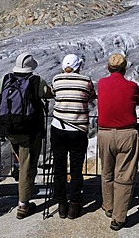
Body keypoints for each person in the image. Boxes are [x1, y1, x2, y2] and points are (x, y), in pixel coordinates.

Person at [0, 52, 52, 219]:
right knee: (27, 167)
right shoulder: (36, 81)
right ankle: (23, 205)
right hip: (29, 130)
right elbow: (48, 93)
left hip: (10, 129)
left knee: (20, 159)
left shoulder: (7, 78)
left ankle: (18, 177)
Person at [97, 54, 139, 231]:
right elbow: (137, 100)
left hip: (105, 134)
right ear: (125, 68)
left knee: (107, 172)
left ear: (109, 68)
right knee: (124, 176)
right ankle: (118, 217)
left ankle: (108, 206)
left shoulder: (101, 83)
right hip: (126, 134)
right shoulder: (132, 86)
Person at [50, 54, 96, 219]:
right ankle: (75, 205)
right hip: (77, 130)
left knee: (59, 167)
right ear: (78, 67)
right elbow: (91, 97)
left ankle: (62, 204)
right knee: (76, 169)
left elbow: (55, 95)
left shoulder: (56, 79)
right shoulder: (86, 81)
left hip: (58, 128)